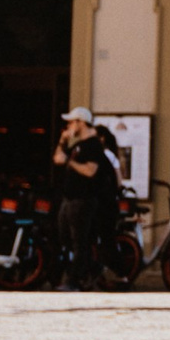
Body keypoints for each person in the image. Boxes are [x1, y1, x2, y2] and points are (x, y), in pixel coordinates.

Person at [53, 107, 120, 286]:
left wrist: (70, 162)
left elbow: (90, 170)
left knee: (79, 242)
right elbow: (58, 158)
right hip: (69, 198)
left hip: (83, 199)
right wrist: (62, 141)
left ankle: (73, 281)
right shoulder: (78, 146)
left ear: (80, 123)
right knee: (65, 237)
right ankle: (94, 268)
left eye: (71, 122)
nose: (68, 126)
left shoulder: (93, 145)